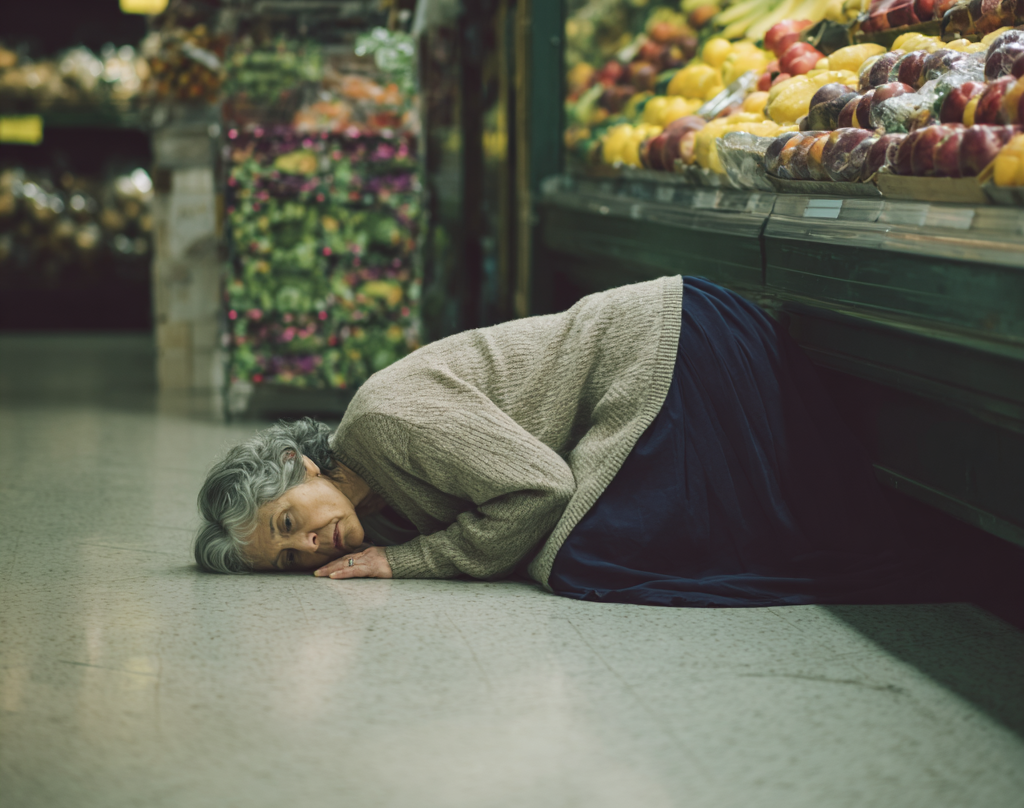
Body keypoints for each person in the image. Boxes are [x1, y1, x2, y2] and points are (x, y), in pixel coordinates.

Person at [195, 275, 931, 607]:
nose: (310, 549)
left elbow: (539, 486)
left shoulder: (380, 422)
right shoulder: (373, 502)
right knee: (554, 552)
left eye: (288, 522)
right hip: (649, 366)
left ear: (298, 463)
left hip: (671, 347)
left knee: (575, 556)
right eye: (288, 559)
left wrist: (412, 561)